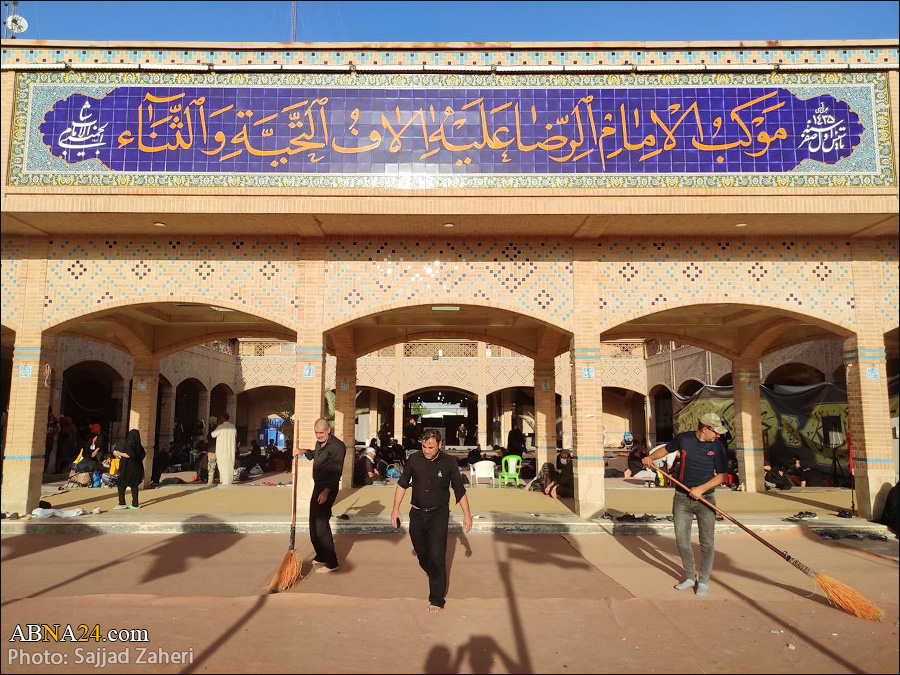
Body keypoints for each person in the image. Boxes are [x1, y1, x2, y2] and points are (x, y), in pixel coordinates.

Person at [643, 412, 729, 597]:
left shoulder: (718, 446)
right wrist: (650, 457)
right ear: (705, 429)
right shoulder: (685, 439)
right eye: (715, 432)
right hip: (681, 498)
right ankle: (690, 576)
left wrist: (701, 489)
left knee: (707, 543)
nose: (718, 435)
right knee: (682, 540)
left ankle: (703, 581)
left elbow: (722, 476)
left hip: (706, 499)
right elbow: (666, 450)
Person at [390, 429, 473, 613]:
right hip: (417, 514)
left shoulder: (449, 462)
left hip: (438, 515)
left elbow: (459, 490)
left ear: (440, 444)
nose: (426, 451)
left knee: (437, 555)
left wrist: (467, 514)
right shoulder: (414, 459)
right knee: (422, 555)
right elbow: (402, 484)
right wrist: (395, 509)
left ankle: (436, 599)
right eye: (424, 447)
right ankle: (434, 572)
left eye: (431, 447)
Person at [293, 418, 345, 573]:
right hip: (318, 486)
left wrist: (326, 491)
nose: (318, 435)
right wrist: (303, 451)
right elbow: (315, 454)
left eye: (321, 432)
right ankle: (321, 554)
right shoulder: (319, 443)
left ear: (329, 430)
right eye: (316, 433)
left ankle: (332, 562)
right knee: (313, 522)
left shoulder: (338, 446)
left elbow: (337, 471)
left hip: (328, 487)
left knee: (321, 524)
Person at [113, 429, 145, 510]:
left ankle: (122, 503)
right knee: (134, 485)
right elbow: (143, 455)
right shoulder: (139, 446)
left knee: (121, 484)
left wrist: (118, 453)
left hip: (127, 468)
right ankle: (135, 504)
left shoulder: (129, 444)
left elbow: (130, 454)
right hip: (137, 467)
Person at [211, 413, 237, 485]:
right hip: (230, 450)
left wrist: (216, 425)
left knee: (222, 466)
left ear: (223, 418)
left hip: (221, 451)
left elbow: (213, 435)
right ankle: (228, 481)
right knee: (230, 465)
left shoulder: (220, 427)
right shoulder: (233, 427)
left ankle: (224, 481)